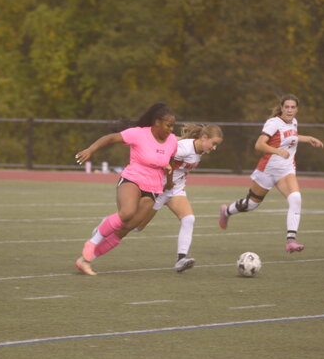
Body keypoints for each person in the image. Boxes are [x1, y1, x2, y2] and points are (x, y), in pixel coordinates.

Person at [74, 103, 178, 275]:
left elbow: (171, 162)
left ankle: (85, 260)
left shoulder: (172, 140)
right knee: (127, 213)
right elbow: (110, 138)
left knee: (125, 229)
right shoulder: (138, 133)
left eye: (173, 126)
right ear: (157, 122)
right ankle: (92, 242)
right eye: (168, 125)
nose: (171, 129)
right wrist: (90, 150)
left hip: (153, 188)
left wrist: (169, 182)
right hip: (132, 179)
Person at [219, 94, 324, 253]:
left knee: (296, 199)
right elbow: (259, 144)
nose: (289, 110)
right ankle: (227, 211)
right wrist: (277, 151)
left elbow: (293, 137)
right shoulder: (273, 123)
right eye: (286, 107)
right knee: (251, 204)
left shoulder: (294, 122)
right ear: (281, 108)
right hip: (267, 171)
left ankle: (291, 241)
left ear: (297, 109)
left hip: (286, 171)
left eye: (293, 107)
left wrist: (308, 138)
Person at [134, 123, 223, 272]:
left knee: (189, 219)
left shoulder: (200, 149)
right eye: (213, 143)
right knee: (136, 226)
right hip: (159, 188)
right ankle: (105, 229)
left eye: (216, 145)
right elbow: (166, 159)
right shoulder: (185, 148)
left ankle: (181, 259)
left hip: (175, 190)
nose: (214, 148)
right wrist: (168, 182)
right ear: (204, 137)